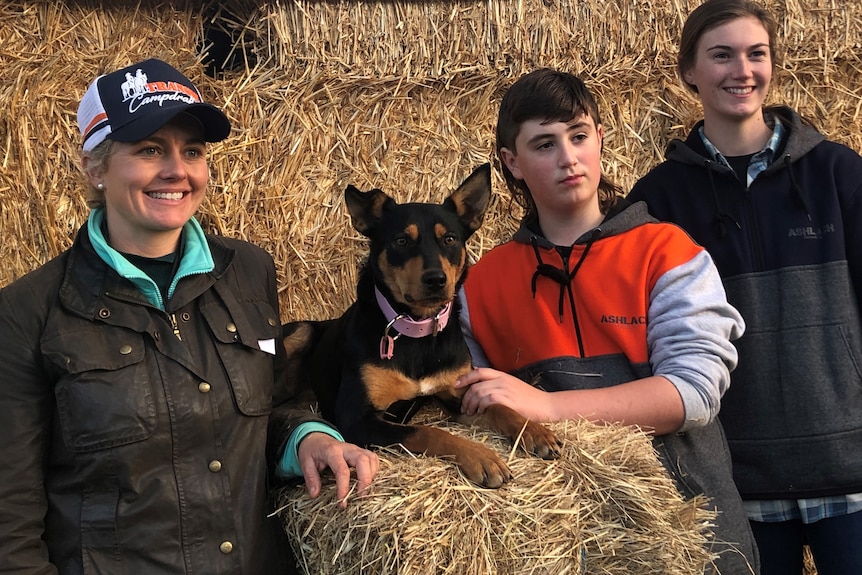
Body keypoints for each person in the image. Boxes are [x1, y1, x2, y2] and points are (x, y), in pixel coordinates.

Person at [0, 58, 378, 574]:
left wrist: (306, 438)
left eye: (192, 150)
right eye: (150, 149)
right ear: (95, 167)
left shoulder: (248, 272)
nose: (177, 170)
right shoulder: (27, 312)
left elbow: (268, 405)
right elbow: (10, 520)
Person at [454, 68, 759, 574]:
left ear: (601, 138)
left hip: (693, 536)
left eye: (578, 136)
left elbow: (693, 394)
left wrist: (547, 406)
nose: (568, 158)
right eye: (544, 144)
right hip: (564, 546)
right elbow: (477, 407)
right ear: (511, 162)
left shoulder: (667, 251)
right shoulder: (480, 285)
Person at [627, 0, 862, 572]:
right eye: (722, 55)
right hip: (736, 483)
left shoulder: (837, 172)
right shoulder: (659, 198)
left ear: (773, 64)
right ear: (690, 71)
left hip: (852, 470)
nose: (743, 70)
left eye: (757, 53)